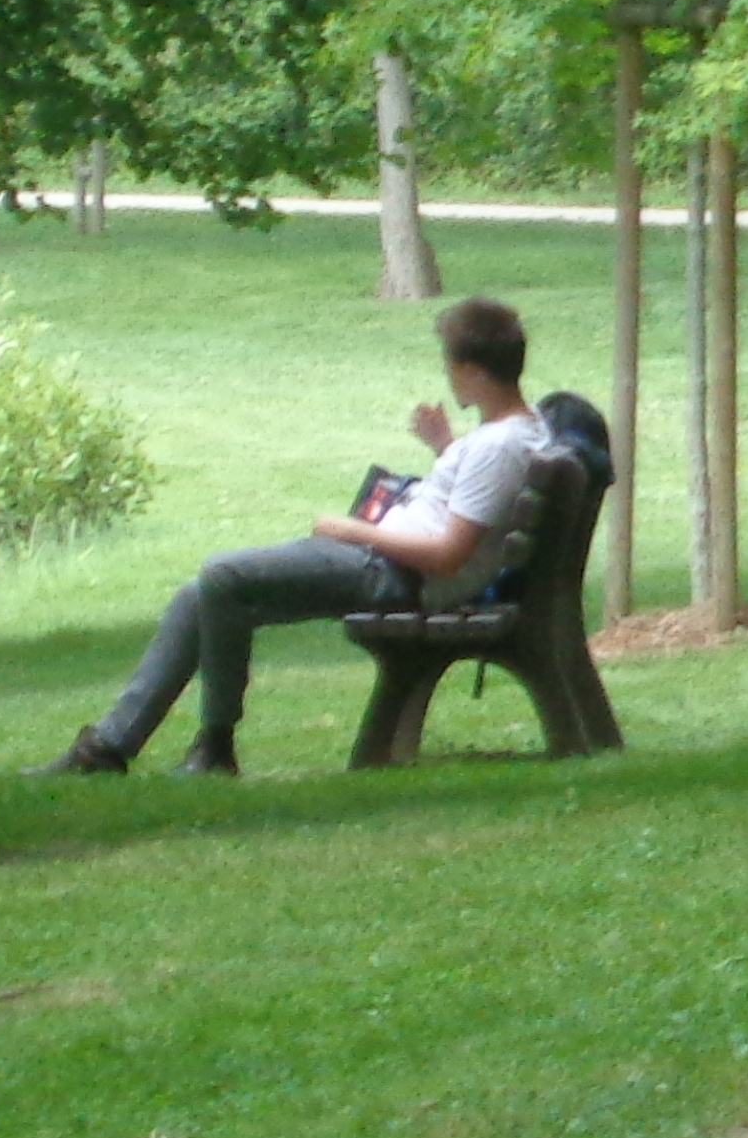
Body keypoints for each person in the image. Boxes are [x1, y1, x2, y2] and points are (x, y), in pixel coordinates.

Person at [52, 294, 552, 779]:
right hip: (384, 563)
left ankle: (215, 747)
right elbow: (468, 501)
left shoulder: (499, 448)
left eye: (450, 365)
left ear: (471, 371)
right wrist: (444, 447)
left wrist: (354, 530)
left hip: (391, 574)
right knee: (197, 595)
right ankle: (109, 747)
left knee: (223, 576)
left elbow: (447, 555)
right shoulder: (511, 434)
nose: (448, 375)